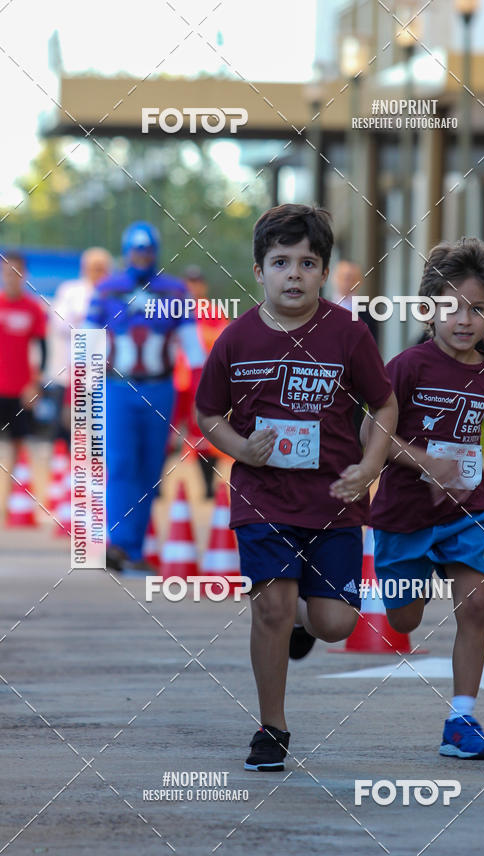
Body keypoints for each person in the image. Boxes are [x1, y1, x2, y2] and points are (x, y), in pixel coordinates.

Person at [195, 204, 397, 771]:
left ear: (324, 271)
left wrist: (371, 465)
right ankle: (271, 728)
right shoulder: (235, 339)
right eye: (280, 262)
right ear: (258, 270)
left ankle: (305, 625)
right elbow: (209, 413)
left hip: (333, 500)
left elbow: (383, 402)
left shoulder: (347, 334)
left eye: (307, 263)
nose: (294, 274)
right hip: (263, 498)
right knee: (271, 607)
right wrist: (239, 449)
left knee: (335, 622)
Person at [364, 238, 484, 760]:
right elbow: (369, 434)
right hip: (405, 516)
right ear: (427, 309)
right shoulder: (408, 366)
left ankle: (462, 719)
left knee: (477, 603)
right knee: (405, 620)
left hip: (468, 512)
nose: (464, 320)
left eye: (479, 309)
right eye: (451, 307)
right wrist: (427, 462)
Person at [84, 222, 206, 572]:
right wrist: (77, 397)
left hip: (159, 388)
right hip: (118, 388)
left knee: (151, 468)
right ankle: (120, 544)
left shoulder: (174, 291)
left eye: (147, 250)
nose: (142, 257)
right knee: (121, 464)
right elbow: (87, 344)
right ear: (126, 252)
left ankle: (132, 547)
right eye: (136, 251)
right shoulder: (107, 290)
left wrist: (199, 400)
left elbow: (194, 351)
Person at [170, 265, 229, 498]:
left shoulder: (212, 311)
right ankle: (155, 490)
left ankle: (207, 487)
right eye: (189, 282)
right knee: (167, 431)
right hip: (176, 379)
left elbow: (222, 339)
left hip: (201, 380)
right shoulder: (173, 311)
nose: (193, 287)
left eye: (196, 282)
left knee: (204, 433)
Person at [46, 247, 112, 442]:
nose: (98, 272)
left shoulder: (113, 294)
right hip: (68, 375)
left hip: (102, 376)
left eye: (102, 268)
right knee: (67, 429)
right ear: (84, 268)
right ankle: (64, 470)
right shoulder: (70, 290)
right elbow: (59, 322)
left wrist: (83, 323)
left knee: (96, 433)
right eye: (94, 267)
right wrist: (90, 325)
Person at [0, 252, 47, 457]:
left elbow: (43, 349)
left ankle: (18, 488)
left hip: (22, 390)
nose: (12, 276)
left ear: (24, 274)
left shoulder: (33, 308)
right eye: (8, 272)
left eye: (16, 272)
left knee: (21, 445)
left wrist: (35, 384)